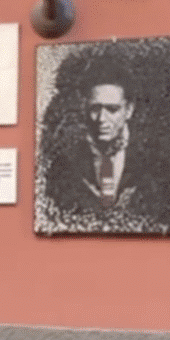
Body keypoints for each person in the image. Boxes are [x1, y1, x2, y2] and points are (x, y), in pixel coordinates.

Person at [39, 57, 160, 221]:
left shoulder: (152, 161)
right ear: (85, 109)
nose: (102, 119)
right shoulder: (65, 163)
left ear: (129, 110)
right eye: (95, 109)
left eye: (112, 109)